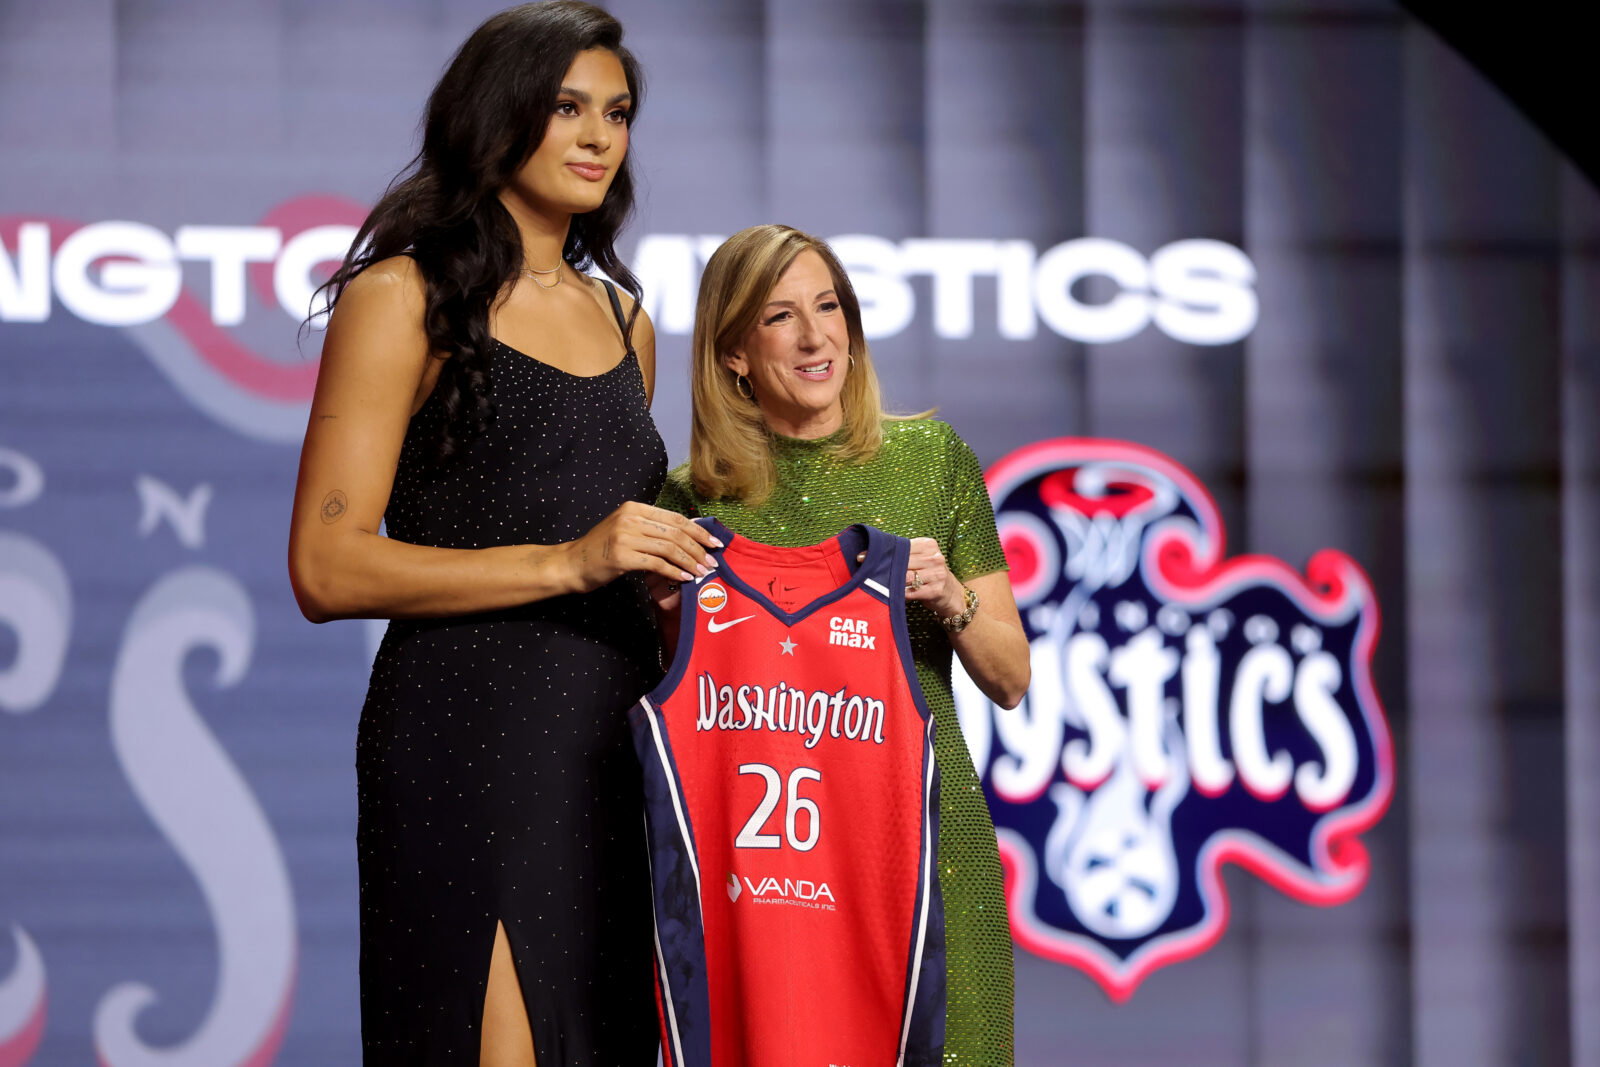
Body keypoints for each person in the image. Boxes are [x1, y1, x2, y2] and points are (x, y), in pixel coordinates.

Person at [286, 4, 716, 1064]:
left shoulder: (629, 322)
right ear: (496, 114)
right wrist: (570, 560)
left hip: (612, 747)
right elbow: (325, 563)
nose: (597, 136)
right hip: (465, 732)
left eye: (615, 113)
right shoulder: (403, 295)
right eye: (566, 106)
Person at [655, 224, 1031, 1064]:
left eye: (829, 307)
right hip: (772, 886)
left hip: (928, 857)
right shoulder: (690, 503)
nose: (818, 335)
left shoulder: (932, 461)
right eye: (782, 316)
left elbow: (1011, 678)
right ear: (733, 355)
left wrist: (953, 597)